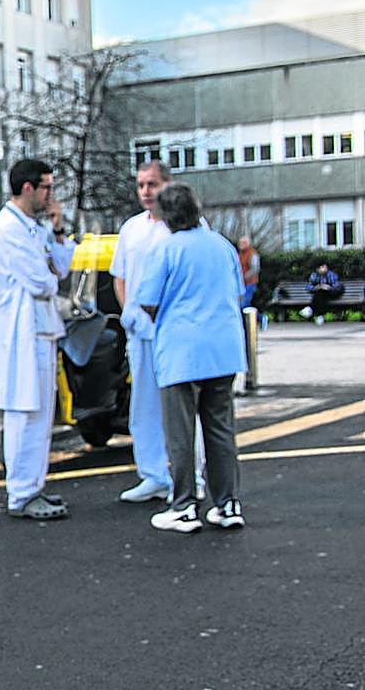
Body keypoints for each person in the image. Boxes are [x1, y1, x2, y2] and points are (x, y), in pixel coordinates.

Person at [138, 183, 248, 534]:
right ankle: (227, 503)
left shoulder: (166, 249)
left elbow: (148, 299)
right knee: (220, 429)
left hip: (181, 351)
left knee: (181, 434)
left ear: (167, 217)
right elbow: (239, 291)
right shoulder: (223, 246)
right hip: (224, 349)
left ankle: (184, 505)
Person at [0, 158, 76, 520]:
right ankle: (21, 493)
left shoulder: (30, 226)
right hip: (22, 336)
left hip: (39, 329)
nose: (50, 195)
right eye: (46, 187)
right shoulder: (9, 228)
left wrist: (56, 232)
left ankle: (33, 486)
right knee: (26, 413)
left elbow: (62, 266)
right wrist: (52, 271)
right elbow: (44, 281)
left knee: (40, 414)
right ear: (28, 187)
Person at [109, 160, 174, 504]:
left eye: (153, 184)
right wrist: (128, 311)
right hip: (139, 331)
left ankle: (188, 475)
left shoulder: (181, 226)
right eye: (141, 185)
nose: (146, 191)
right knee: (144, 406)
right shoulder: (131, 228)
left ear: (167, 185)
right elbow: (119, 275)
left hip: (172, 332)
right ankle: (152, 475)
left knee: (178, 405)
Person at [238, 236, 260, 311]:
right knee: (245, 305)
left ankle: (261, 318)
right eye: (240, 242)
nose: (241, 244)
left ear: (248, 244)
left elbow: (255, 268)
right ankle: (261, 318)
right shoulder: (240, 254)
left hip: (250, 283)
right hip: (242, 284)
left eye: (243, 243)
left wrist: (244, 277)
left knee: (243, 304)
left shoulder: (252, 254)